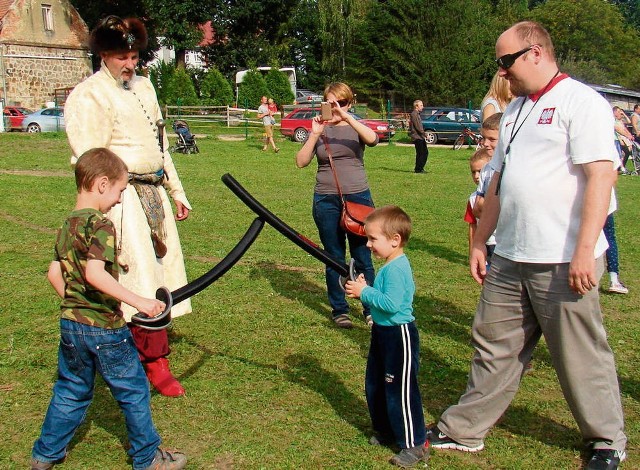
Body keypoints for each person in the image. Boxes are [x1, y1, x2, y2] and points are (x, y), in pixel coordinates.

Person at [427, 21, 627, 470]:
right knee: (493, 344)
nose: (502, 71)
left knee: (579, 353)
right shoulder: (515, 109)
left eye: (506, 61)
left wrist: (584, 249)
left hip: (563, 257)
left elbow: (601, 176)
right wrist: (480, 241)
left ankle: (605, 441)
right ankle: (464, 430)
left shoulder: (582, 102)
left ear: (535, 53)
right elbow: (495, 181)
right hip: (511, 254)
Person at [31, 148, 187, 470]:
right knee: (133, 391)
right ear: (102, 184)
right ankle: (147, 458)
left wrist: (77, 308)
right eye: (118, 191)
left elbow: (53, 273)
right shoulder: (100, 224)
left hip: (71, 326)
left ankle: (45, 455)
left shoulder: (66, 226)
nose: (118, 200)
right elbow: (94, 274)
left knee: (71, 390)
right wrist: (141, 301)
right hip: (105, 328)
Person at [65, 16, 191, 397]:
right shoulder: (89, 95)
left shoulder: (147, 87)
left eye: (134, 56)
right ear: (104, 54)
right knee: (135, 280)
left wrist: (176, 190)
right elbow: (89, 161)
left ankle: (154, 354)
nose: (129, 63)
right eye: (122, 56)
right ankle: (147, 362)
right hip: (120, 199)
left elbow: (160, 144)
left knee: (162, 276)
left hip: (153, 194)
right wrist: (96, 213)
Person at [345, 206, 427, 468]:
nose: (368, 245)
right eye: (367, 239)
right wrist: (366, 287)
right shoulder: (388, 266)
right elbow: (381, 298)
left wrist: (364, 293)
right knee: (376, 383)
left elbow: (391, 304)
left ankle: (414, 443)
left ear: (395, 240)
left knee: (400, 389)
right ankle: (387, 430)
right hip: (382, 332)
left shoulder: (397, 269)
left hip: (398, 335)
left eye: (373, 239)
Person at [295, 82, 377, 329]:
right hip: (326, 199)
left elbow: (373, 139)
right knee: (333, 256)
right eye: (331, 103)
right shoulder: (319, 128)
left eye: (341, 103)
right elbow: (301, 162)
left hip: (358, 197)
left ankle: (369, 307)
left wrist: (348, 118)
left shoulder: (355, 126)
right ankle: (339, 309)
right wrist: (315, 134)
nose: (336, 108)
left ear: (350, 103)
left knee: (363, 255)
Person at [464, 149, 492, 256]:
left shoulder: (501, 195)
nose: (476, 176)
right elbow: (472, 226)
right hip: (483, 245)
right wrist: (472, 252)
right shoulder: (472, 199)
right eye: (473, 172)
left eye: (480, 171)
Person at [408, 100, 428, 173]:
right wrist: (425, 135)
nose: (423, 107)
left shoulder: (417, 114)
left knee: (424, 153)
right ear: (416, 106)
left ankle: (420, 168)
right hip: (417, 137)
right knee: (421, 153)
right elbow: (418, 127)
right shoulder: (414, 114)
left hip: (420, 137)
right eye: (421, 105)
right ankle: (418, 169)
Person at [613, 106, 633, 174]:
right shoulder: (613, 120)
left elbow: (628, 123)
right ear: (614, 112)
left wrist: (623, 114)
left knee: (625, 153)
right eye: (618, 111)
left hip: (620, 138)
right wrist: (627, 136)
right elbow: (617, 130)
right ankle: (621, 168)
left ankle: (621, 167)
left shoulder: (619, 120)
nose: (619, 113)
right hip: (617, 139)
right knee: (620, 154)